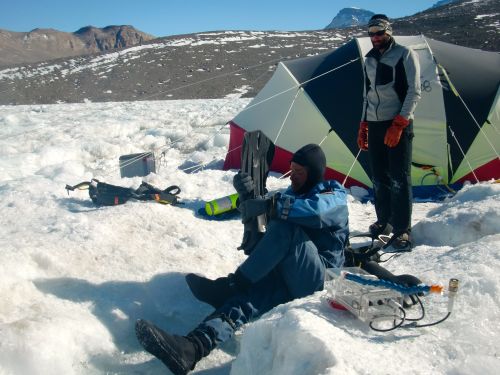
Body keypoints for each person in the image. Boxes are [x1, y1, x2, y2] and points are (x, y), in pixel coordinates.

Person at [135, 144, 349, 374]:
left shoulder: (333, 195)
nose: (293, 177)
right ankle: (192, 347)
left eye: (300, 173)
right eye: (292, 170)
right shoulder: (290, 195)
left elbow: (314, 212)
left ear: (314, 174)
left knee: (285, 229)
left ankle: (232, 285)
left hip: (321, 279)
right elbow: (263, 230)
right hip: (291, 275)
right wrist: (248, 198)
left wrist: (270, 205)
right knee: (246, 301)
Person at [357, 14, 421, 252]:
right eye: (371, 33)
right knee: (379, 176)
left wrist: (399, 124)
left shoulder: (405, 54)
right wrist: (363, 124)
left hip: (397, 123)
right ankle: (385, 221)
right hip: (374, 123)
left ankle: (403, 229)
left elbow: (414, 92)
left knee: (399, 177)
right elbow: (367, 94)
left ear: (388, 32)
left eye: (379, 33)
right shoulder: (369, 59)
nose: (375, 37)